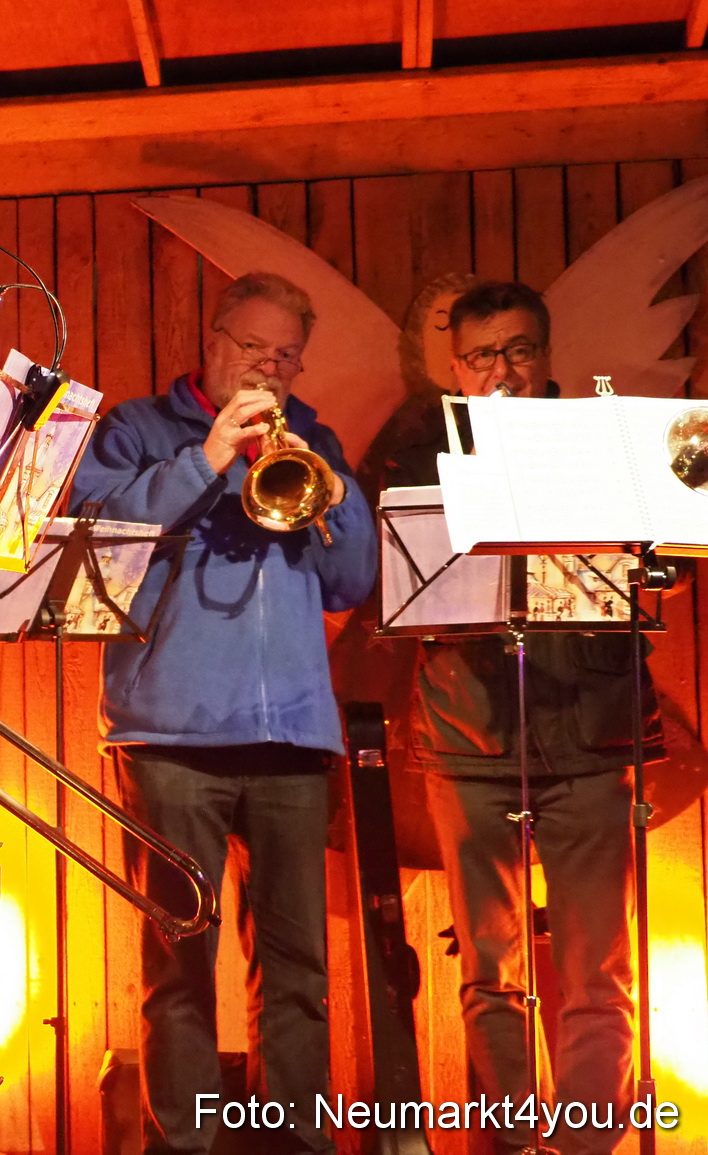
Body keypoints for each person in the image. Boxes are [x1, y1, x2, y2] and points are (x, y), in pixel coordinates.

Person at [68, 271, 377, 1155]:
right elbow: (99, 529)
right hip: (170, 735)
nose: (269, 367)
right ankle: (185, 1144)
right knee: (181, 967)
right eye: (253, 348)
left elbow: (352, 578)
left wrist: (331, 484)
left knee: (299, 971)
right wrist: (206, 458)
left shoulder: (312, 438)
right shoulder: (137, 429)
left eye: (285, 355)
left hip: (293, 734)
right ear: (213, 339)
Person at [360, 281, 650, 1155]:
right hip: (468, 729)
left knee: (600, 969)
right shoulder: (415, 445)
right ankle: (523, 1140)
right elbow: (386, 580)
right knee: (491, 968)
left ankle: (587, 1145)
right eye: (484, 356)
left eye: (519, 350)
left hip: (591, 724)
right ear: (456, 367)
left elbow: (653, 553)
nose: (504, 371)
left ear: (548, 355)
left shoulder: (608, 442)